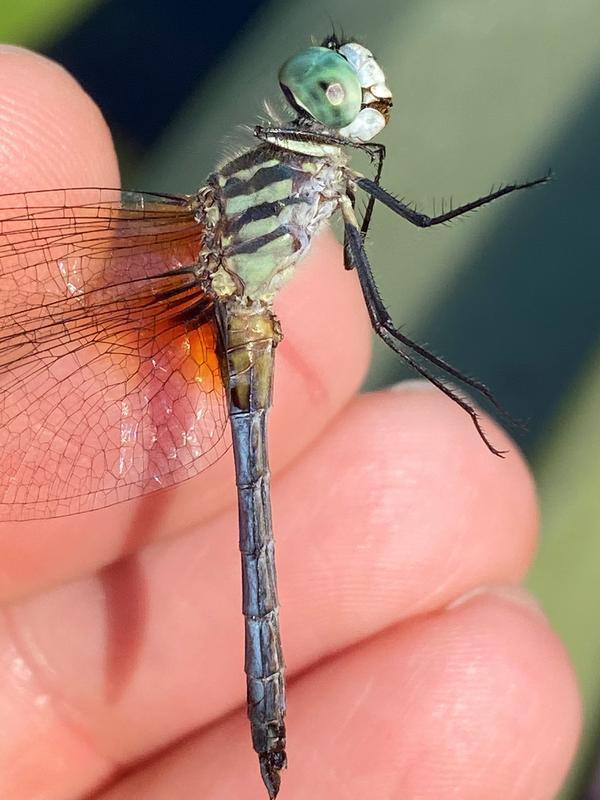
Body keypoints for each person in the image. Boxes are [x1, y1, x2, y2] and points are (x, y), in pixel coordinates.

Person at [0, 45, 580, 799]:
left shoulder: (315, 171)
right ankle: (270, 732)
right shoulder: (319, 175)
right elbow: (421, 238)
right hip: (222, 314)